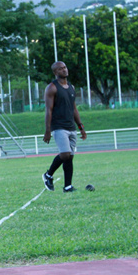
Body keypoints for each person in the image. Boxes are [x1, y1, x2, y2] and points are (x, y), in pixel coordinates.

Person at [42, 61, 87, 193]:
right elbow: (48, 110)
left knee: (70, 157)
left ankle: (68, 187)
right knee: (65, 154)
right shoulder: (51, 88)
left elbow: (74, 109)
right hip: (59, 127)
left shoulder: (71, 87)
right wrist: (47, 130)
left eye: (65, 67)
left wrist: (81, 127)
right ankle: (48, 175)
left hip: (71, 127)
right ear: (55, 72)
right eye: (60, 69)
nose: (64, 70)